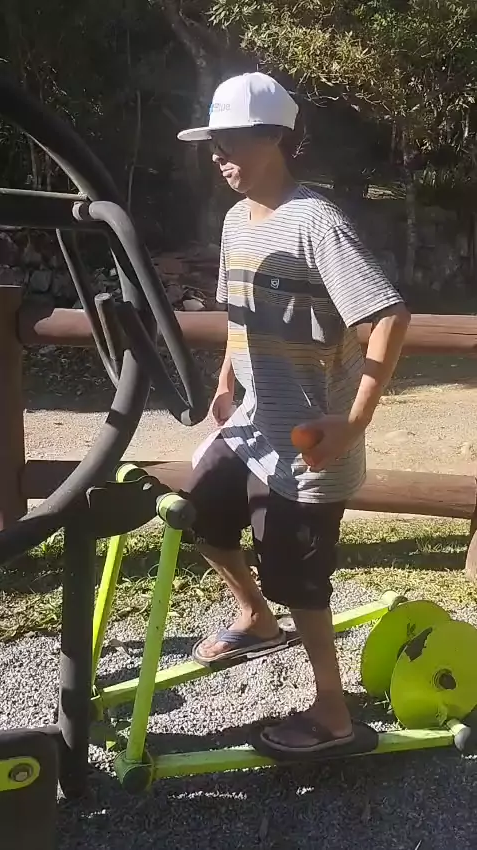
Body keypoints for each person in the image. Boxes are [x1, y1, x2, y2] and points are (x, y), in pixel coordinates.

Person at [177, 71, 410, 758]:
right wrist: (226, 380)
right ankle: (255, 618)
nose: (219, 153)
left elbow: (388, 316)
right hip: (251, 424)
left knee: (299, 581)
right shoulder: (234, 220)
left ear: (275, 137)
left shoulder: (316, 222)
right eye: (213, 142)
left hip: (312, 440)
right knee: (200, 510)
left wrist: (355, 422)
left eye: (231, 140)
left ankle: (334, 717)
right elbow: (239, 313)